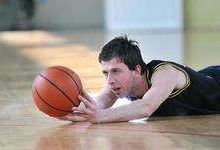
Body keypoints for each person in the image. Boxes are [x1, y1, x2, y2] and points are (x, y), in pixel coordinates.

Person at [61, 35, 220, 124]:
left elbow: (146, 106)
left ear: (136, 70)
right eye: (105, 72)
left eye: (116, 71)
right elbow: (99, 104)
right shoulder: (118, 82)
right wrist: (75, 112)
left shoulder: (165, 73)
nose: (109, 80)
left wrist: (100, 116)